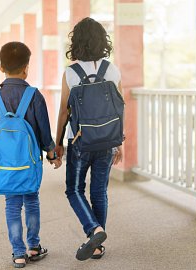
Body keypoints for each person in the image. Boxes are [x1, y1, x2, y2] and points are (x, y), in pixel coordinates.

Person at [0, 41, 62, 268]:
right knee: (32, 201)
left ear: (1, 67)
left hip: (6, 166)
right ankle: (34, 247)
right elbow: (44, 133)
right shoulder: (34, 96)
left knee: (11, 205)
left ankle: (18, 253)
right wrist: (51, 154)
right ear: (27, 67)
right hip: (29, 165)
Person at [54, 17, 123, 261]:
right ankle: (97, 246)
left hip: (79, 142)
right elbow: (119, 109)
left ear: (77, 42)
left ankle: (95, 230)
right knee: (99, 192)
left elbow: (64, 111)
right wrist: (119, 142)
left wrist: (58, 142)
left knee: (73, 190)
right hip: (106, 141)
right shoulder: (112, 70)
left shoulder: (71, 73)